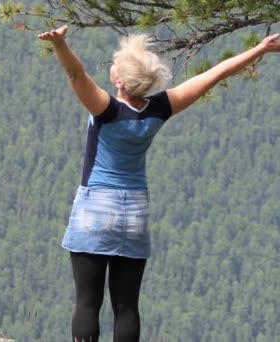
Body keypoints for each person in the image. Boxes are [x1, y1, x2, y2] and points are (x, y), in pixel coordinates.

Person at [38, 25, 280, 342]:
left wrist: (60, 45)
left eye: (116, 65)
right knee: (126, 307)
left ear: (120, 82)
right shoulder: (161, 108)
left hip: (95, 209)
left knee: (87, 302)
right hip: (135, 213)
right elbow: (217, 73)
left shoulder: (105, 109)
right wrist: (260, 49)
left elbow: (76, 75)